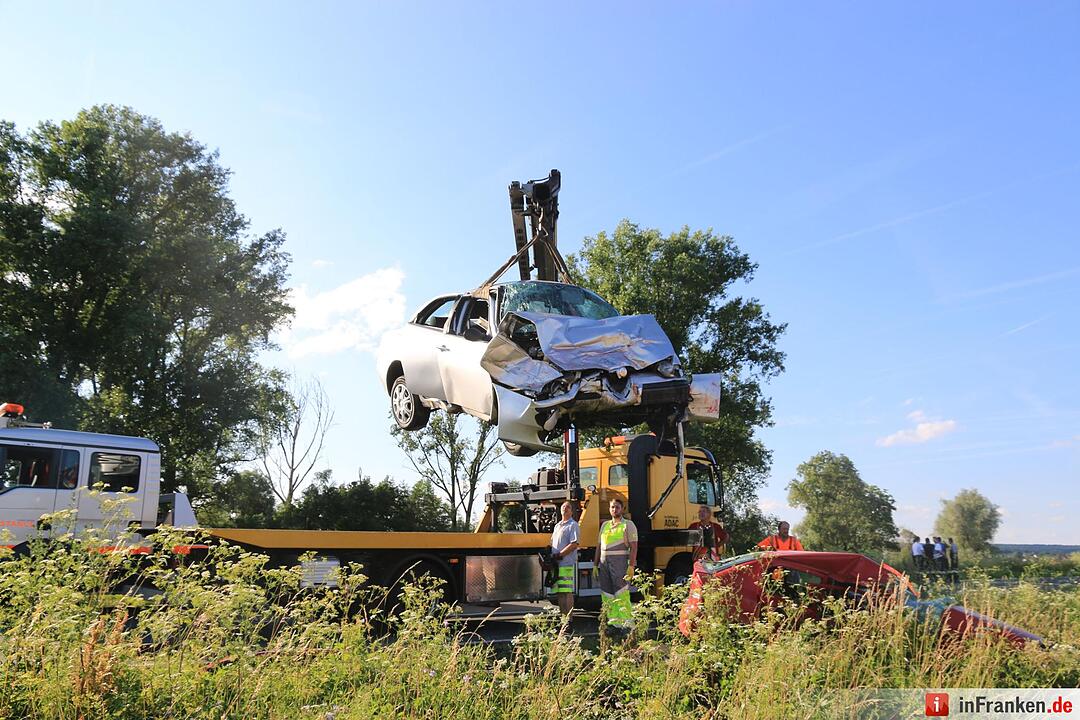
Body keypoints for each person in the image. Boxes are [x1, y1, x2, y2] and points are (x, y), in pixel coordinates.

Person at [594, 498, 638, 634]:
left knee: (621, 593)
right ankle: (613, 623)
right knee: (607, 594)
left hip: (619, 563)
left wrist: (631, 566)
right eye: (612, 507)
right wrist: (595, 565)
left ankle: (627, 624)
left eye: (617, 507)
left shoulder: (628, 525)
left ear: (622, 509)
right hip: (604, 563)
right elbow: (599, 546)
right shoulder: (605, 525)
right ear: (609, 509)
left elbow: (634, 546)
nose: (614, 509)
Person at [549, 501, 580, 615]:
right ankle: (563, 619)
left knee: (567, 592)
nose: (565, 508)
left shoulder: (573, 525)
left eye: (568, 507)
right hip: (556, 564)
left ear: (572, 511)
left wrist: (559, 555)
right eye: (563, 507)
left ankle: (569, 620)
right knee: (560, 593)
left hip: (566, 563)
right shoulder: (558, 525)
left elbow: (574, 544)